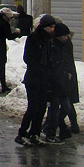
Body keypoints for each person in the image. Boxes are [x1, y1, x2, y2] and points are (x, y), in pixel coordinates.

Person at [15, 14, 55, 147]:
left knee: (41, 107)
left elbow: (49, 59)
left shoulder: (48, 40)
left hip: (44, 79)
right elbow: (28, 58)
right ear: (44, 26)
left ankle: (34, 134)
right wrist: (39, 69)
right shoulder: (34, 37)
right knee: (33, 107)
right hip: (33, 78)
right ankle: (21, 133)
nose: (52, 29)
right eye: (51, 27)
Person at [43, 22, 77, 142]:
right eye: (64, 35)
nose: (66, 38)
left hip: (63, 83)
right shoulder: (53, 47)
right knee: (55, 109)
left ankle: (49, 128)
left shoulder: (64, 45)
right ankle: (50, 132)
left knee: (66, 107)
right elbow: (52, 67)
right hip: (55, 84)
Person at [0, 7, 20, 94]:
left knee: (0, 67)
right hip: (0, 47)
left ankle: (3, 86)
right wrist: (16, 33)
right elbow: (9, 36)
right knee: (0, 67)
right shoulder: (4, 24)